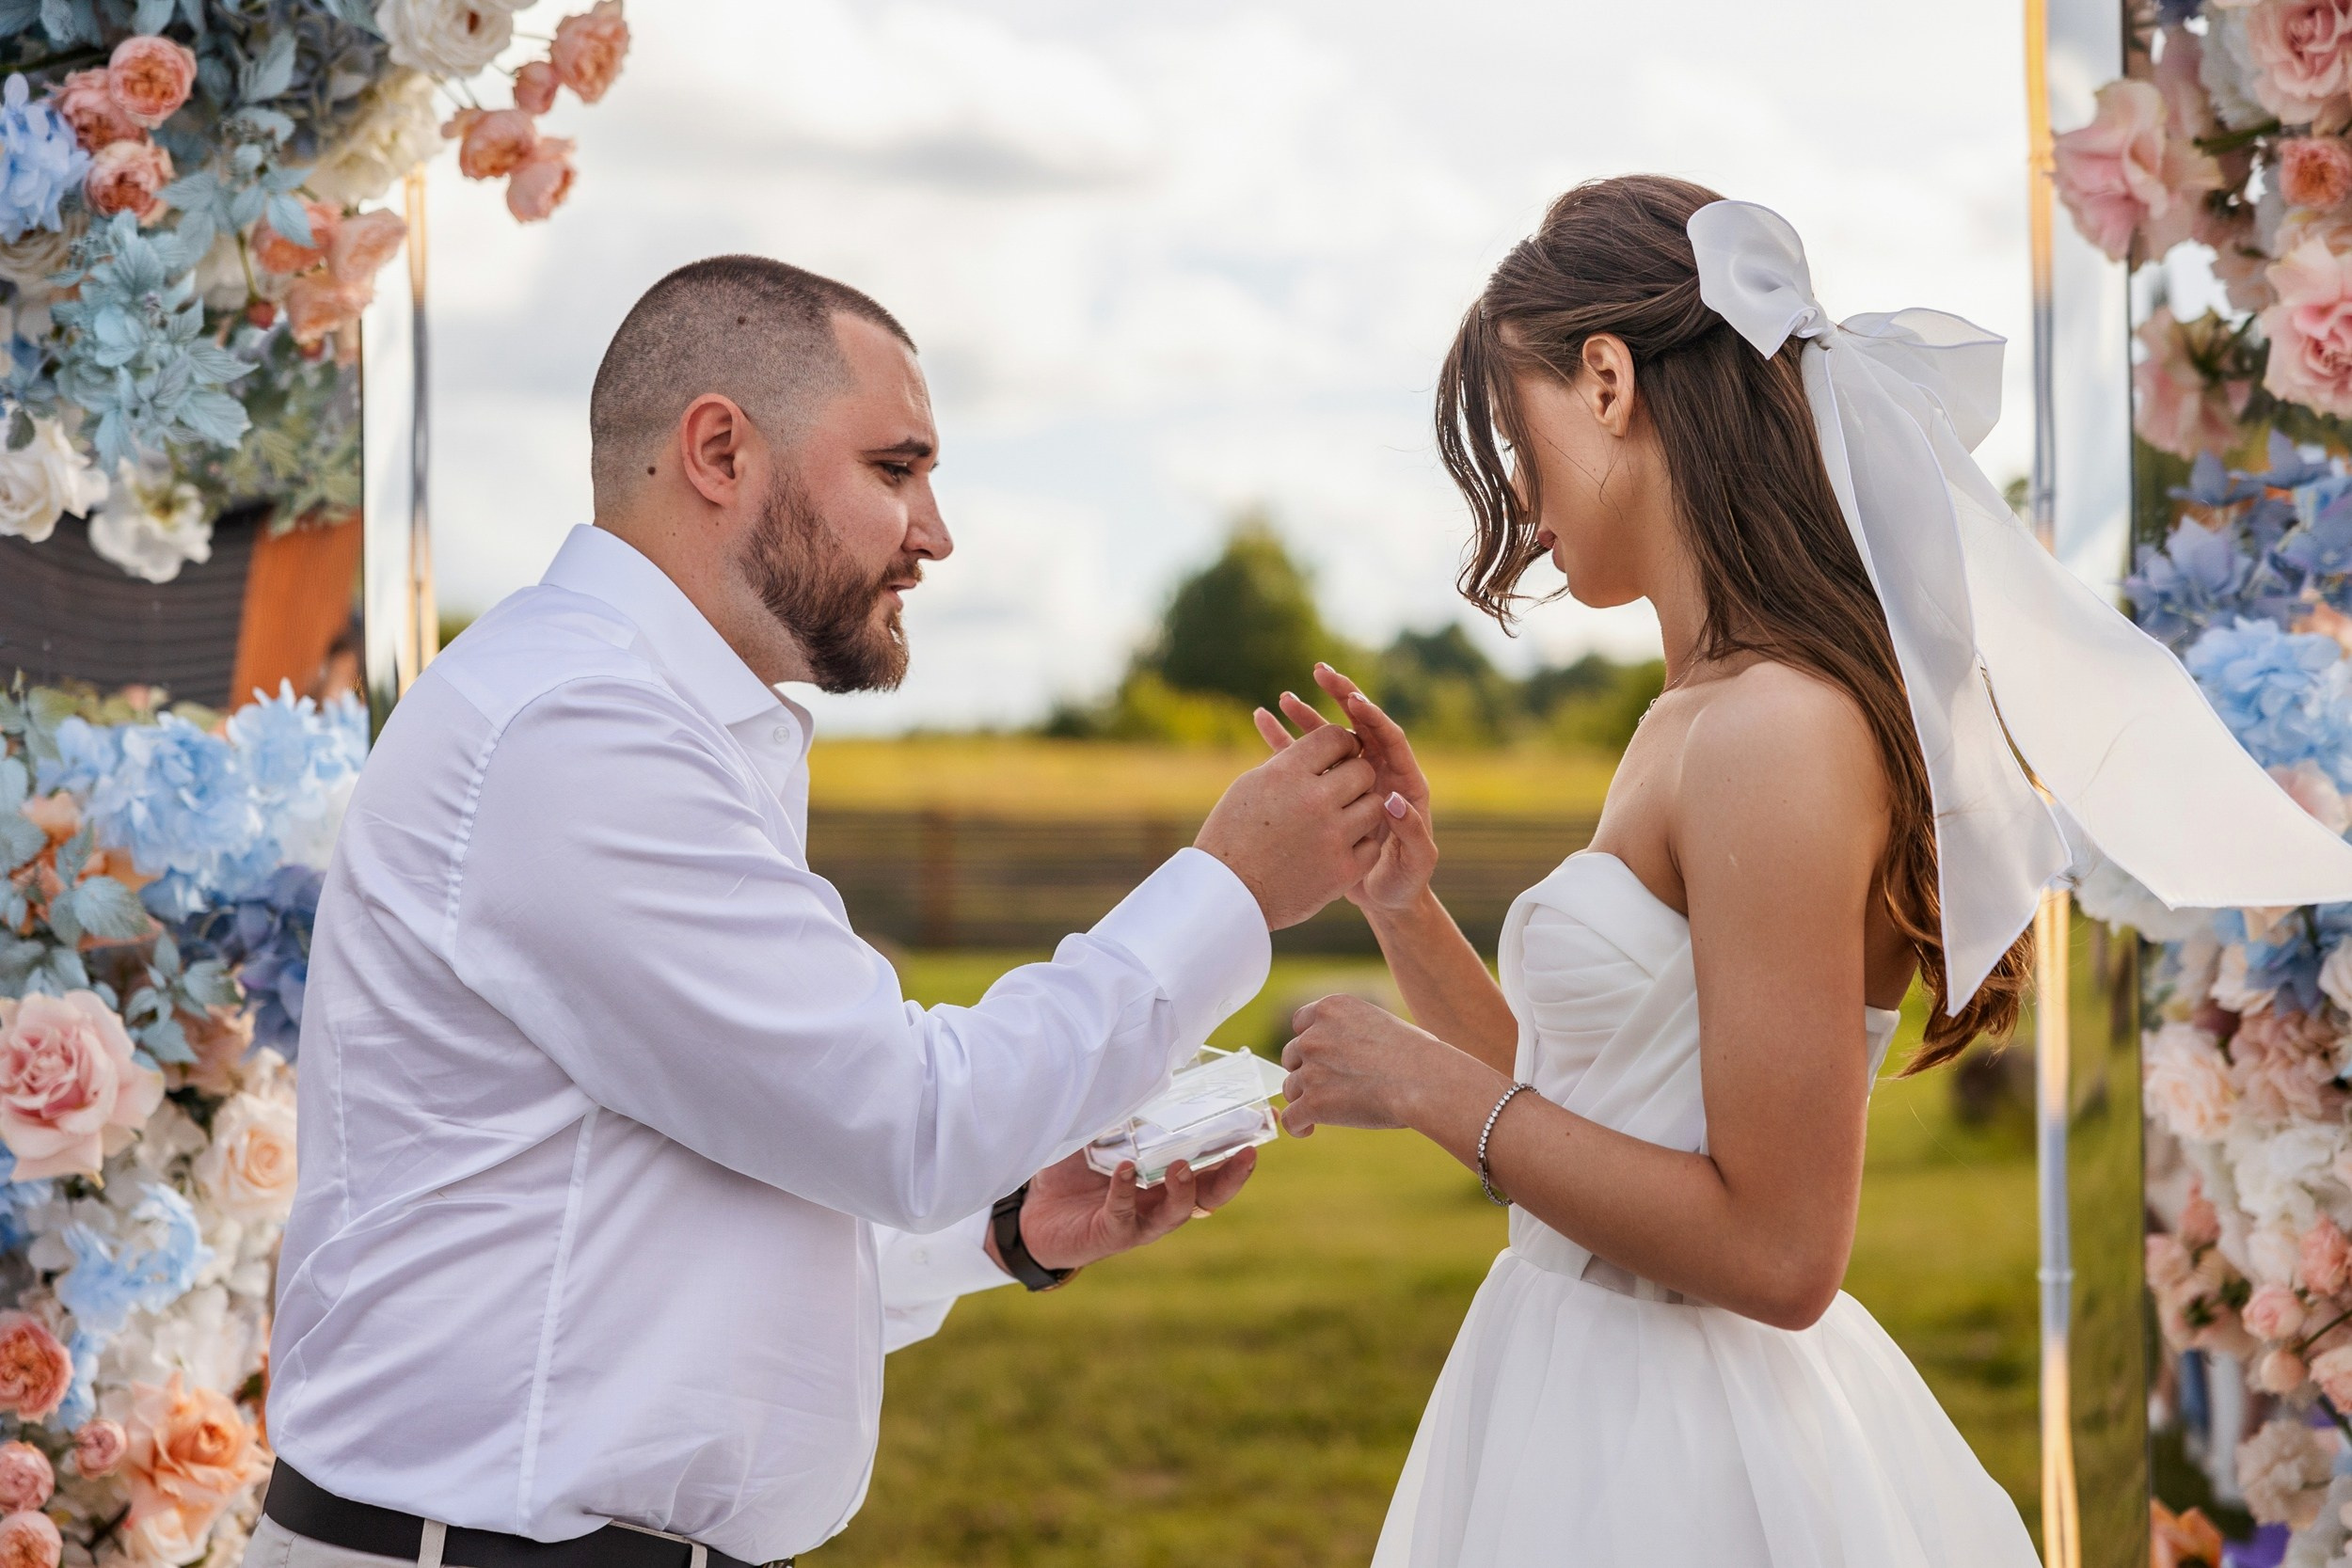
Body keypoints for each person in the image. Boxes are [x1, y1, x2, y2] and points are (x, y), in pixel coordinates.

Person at [1257, 176, 2352, 1564]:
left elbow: (1778, 1250)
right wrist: (1403, 908)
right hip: (1575, 1385)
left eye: (1512, 437)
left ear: (1605, 381)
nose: (1519, 499)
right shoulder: (1700, 707)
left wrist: (1426, 1089)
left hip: (1681, 1451)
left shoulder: (1776, 731)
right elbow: (1600, 1123)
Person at [258, 258, 1387, 1568]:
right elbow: (903, 1115)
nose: (937, 533)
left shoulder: (651, 721)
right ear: (721, 450)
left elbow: (686, 1206)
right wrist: (1232, 890)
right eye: (897, 470)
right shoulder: (576, 731)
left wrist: (1005, 1225)